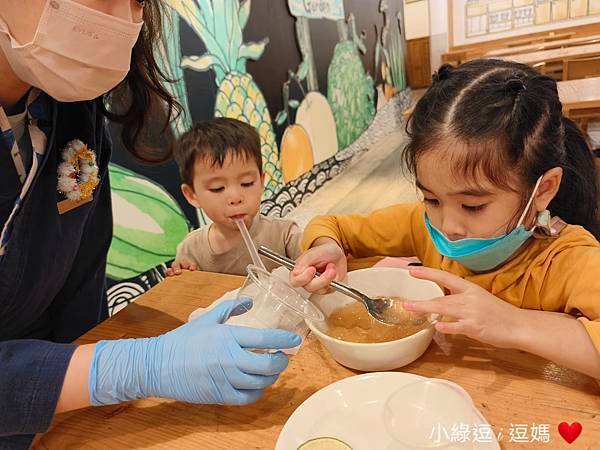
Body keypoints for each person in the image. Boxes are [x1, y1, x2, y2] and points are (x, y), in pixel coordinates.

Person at [0, 1, 298, 447]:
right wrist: (127, 368)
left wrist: (95, 399)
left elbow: (81, 273)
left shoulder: (74, 116)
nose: (121, 16)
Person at [290, 59, 600, 380]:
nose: (447, 226)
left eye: (472, 206)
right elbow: (333, 226)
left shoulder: (567, 260)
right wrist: (327, 246)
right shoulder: (419, 223)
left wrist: (513, 323)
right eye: (432, 199)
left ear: (543, 190)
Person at [166, 117, 302, 277]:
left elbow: (315, 263)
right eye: (217, 188)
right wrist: (183, 276)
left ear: (261, 181)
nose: (236, 198)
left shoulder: (284, 234)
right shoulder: (191, 249)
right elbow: (188, 293)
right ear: (192, 195)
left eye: (247, 183)